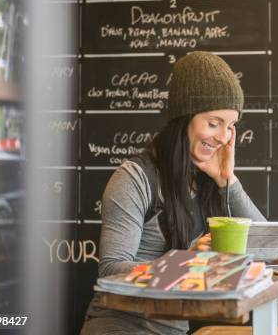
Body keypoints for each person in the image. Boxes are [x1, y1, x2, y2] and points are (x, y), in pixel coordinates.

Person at [80, 52, 266, 335]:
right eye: (214, 123)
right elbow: (110, 269)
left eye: (231, 127)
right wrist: (185, 263)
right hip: (120, 326)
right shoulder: (134, 179)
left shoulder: (206, 181)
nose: (224, 137)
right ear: (184, 119)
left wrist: (227, 181)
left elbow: (266, 244)